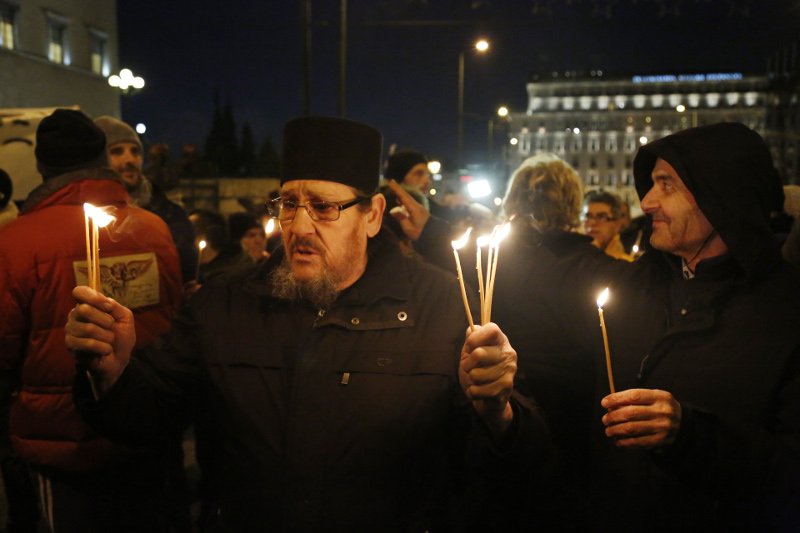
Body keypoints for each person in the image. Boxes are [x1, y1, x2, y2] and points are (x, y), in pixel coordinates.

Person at [64, 116, 559, 531]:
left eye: (323, 207)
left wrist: (499, 411)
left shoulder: (441, 306)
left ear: (371, 215)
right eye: (288, 205)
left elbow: (510, 462)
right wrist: (110, 373)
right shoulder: (225, 301)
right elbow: (150, 417)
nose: (299, 227)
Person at [0, 109, 183, 532]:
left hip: (61, 446)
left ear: (42, 165)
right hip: (145, 431)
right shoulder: (154, 228)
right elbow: (174, 321)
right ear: (102, 158)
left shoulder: (15, 242)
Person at [94, 116, 198, 285]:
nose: (130, 160)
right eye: (117, 151)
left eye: (135, 151)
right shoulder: (88, 216)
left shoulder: (170, 214)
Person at [581, 189, 634, 261]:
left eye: (601, 217)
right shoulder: (573, 258)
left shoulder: (625, 264)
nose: (592, 222)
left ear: (617, 225)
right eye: (588, 216)